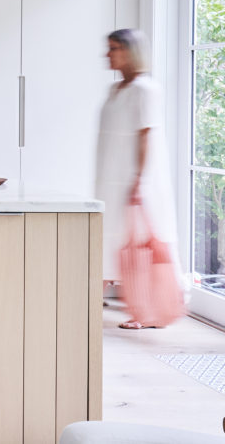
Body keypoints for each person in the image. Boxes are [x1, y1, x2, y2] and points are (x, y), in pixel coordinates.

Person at [95, 28, 182, 329]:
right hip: (111, 177)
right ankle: (95, 298)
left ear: (131, 52)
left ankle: (147, 312)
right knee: (110, 238)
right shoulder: (115, 89)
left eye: (114, 48)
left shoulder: (146, 89)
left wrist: (139, 181)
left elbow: (147, 135)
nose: (107, 54)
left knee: (140, 243)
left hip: (134, 180)